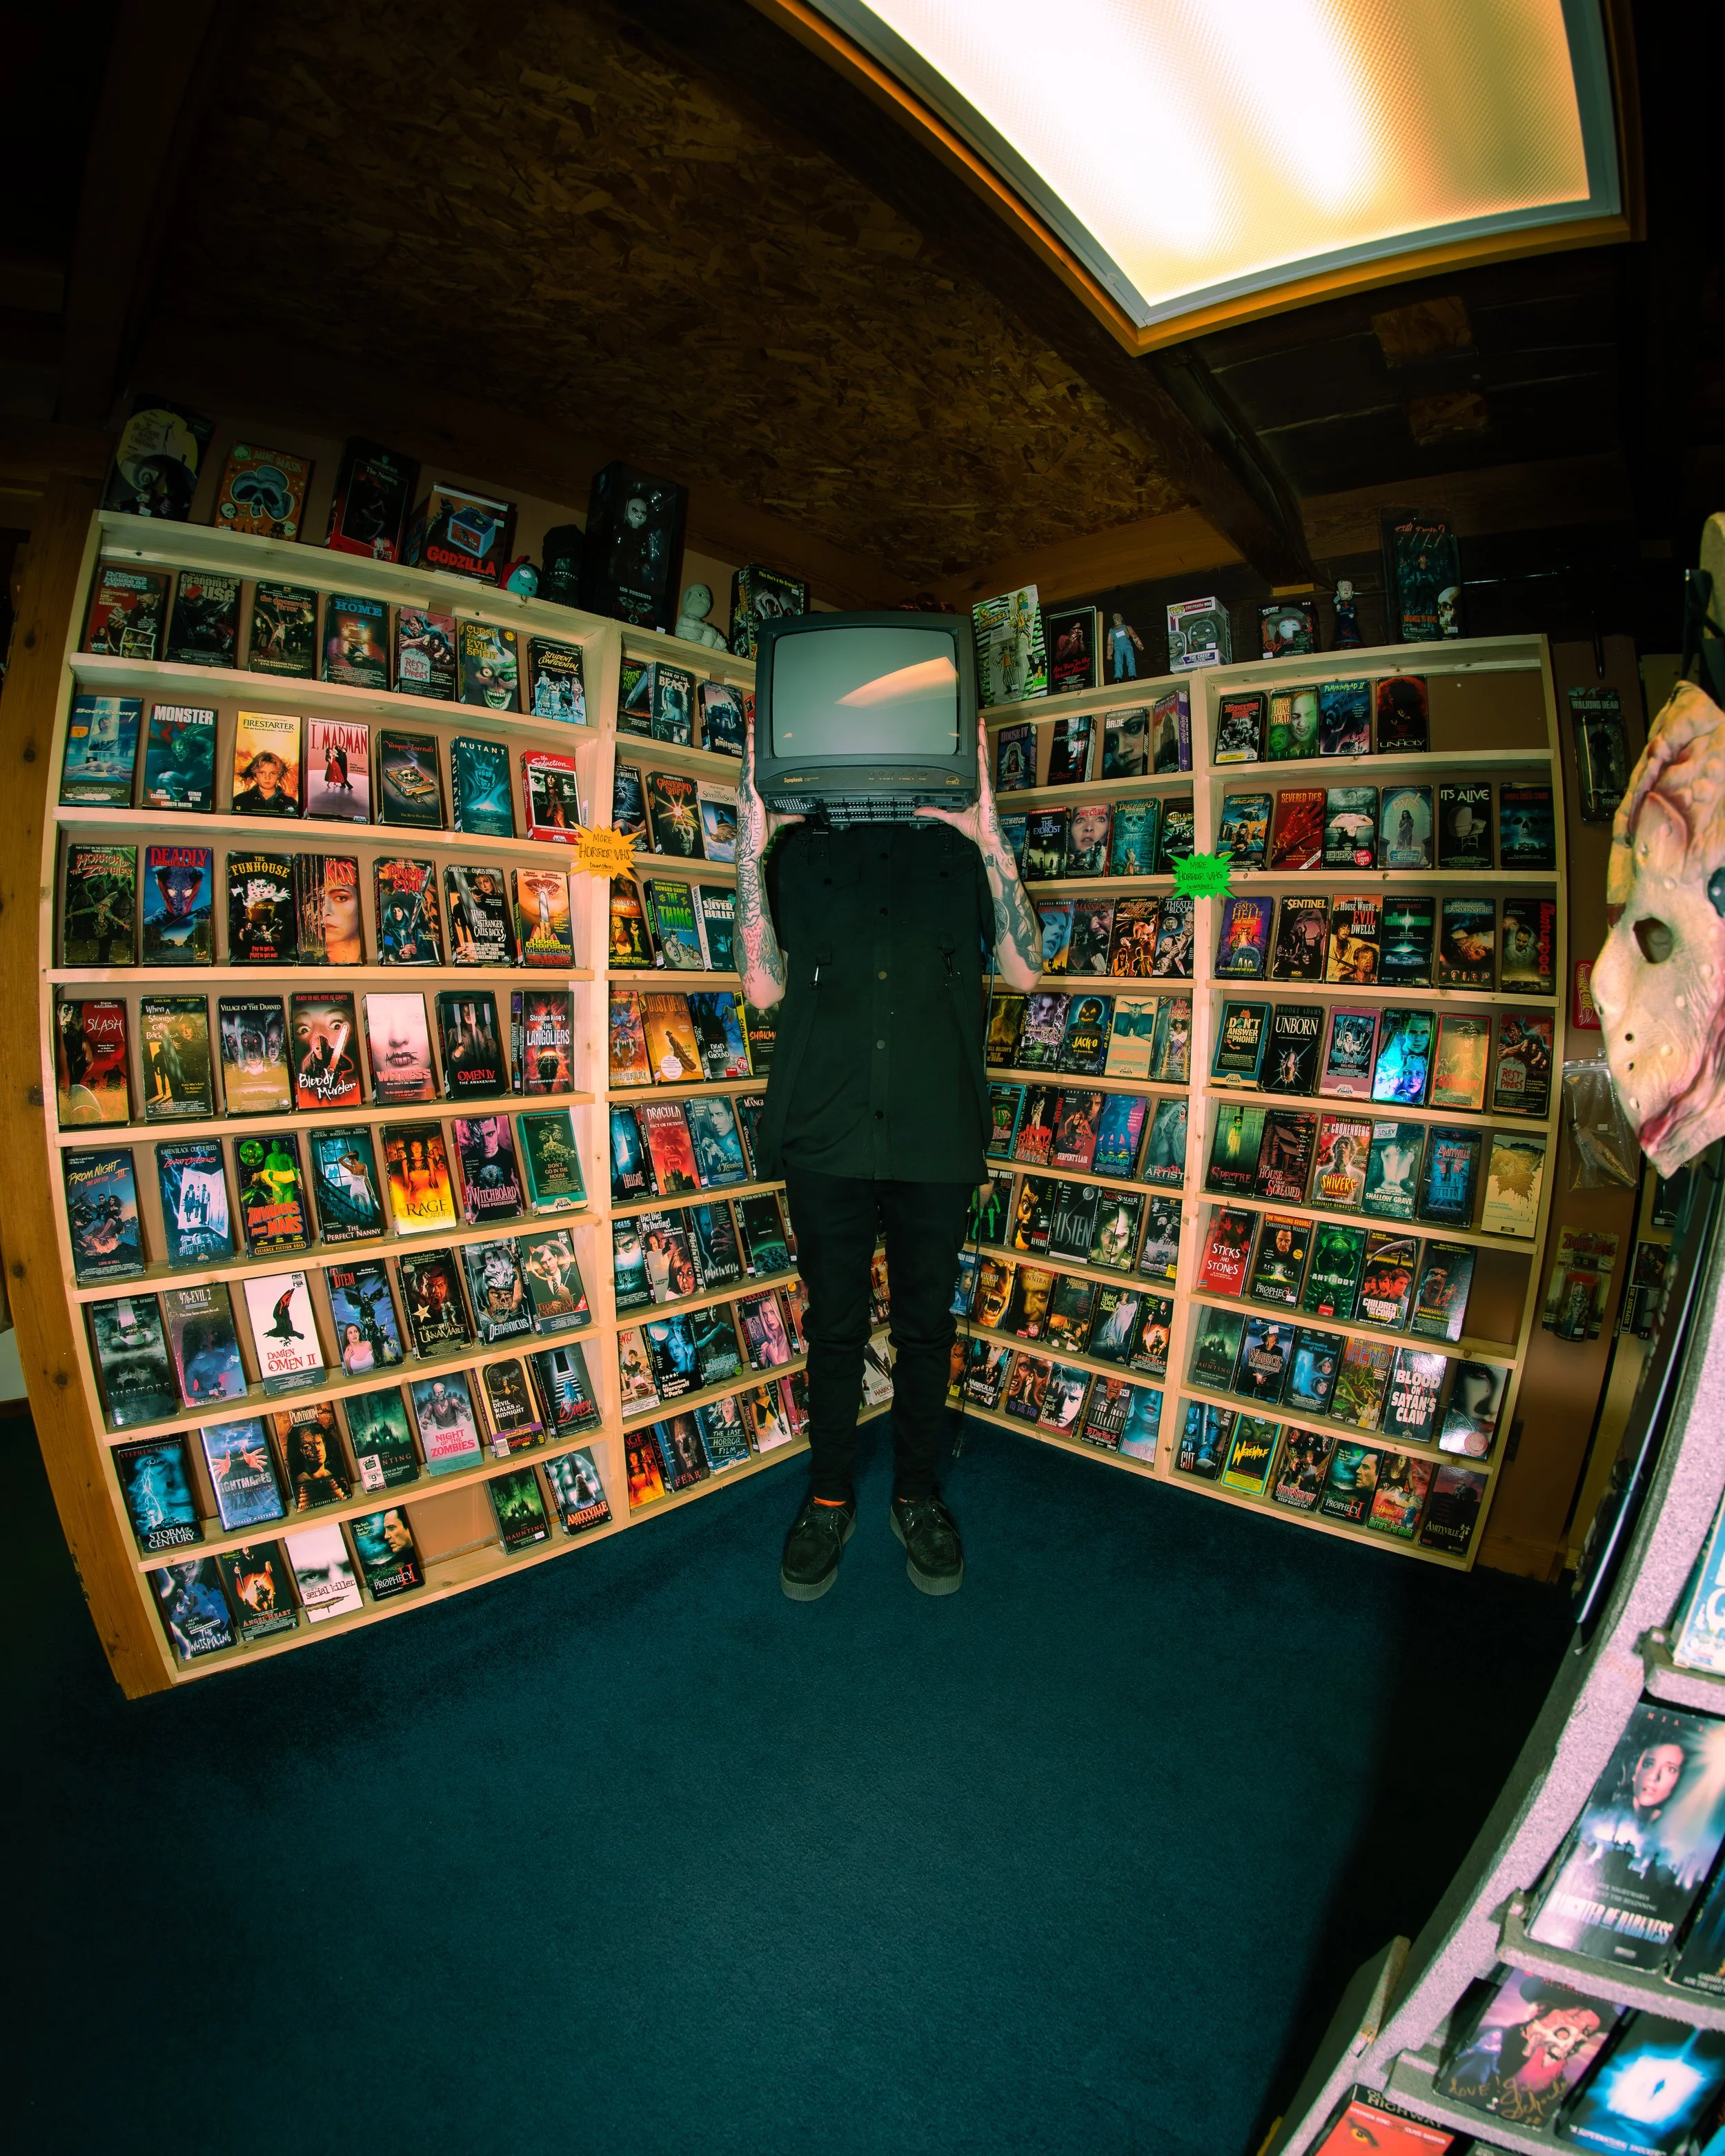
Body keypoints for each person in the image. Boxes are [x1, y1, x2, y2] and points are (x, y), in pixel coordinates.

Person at [738, 703, 1040, 1600]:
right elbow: (760, 987)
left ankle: (915, 1494)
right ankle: (830, 1496)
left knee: (924, 1330)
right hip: (825, 1131)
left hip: (933, 1130)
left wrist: (987, 830)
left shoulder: (959, 853)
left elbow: (1026, 970)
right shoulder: (799, 851)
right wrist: (754, 839)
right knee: (831, 1329)